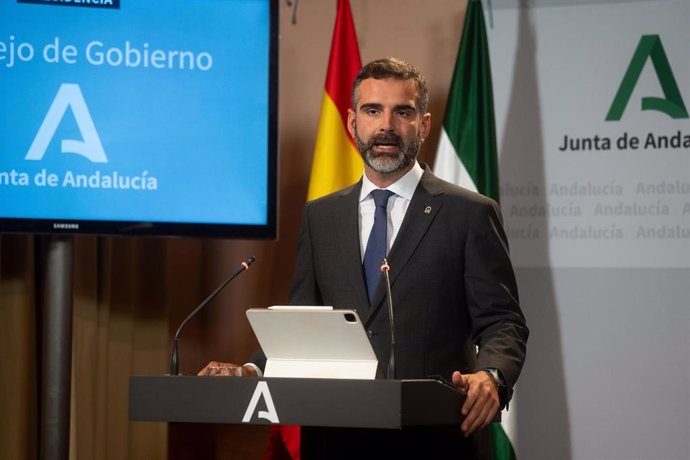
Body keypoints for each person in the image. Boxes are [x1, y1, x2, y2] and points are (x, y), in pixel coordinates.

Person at [201, 57, 528, 459]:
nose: (386, 125)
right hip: (336, 440)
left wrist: (491, 375)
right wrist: (248, 370)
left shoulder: (468, 213)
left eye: (402, 112)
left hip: (435, 440)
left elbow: (503, 322)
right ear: (354, 123)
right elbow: (304, 323)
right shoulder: (320, 216)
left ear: (423, 125)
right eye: (373, 110)